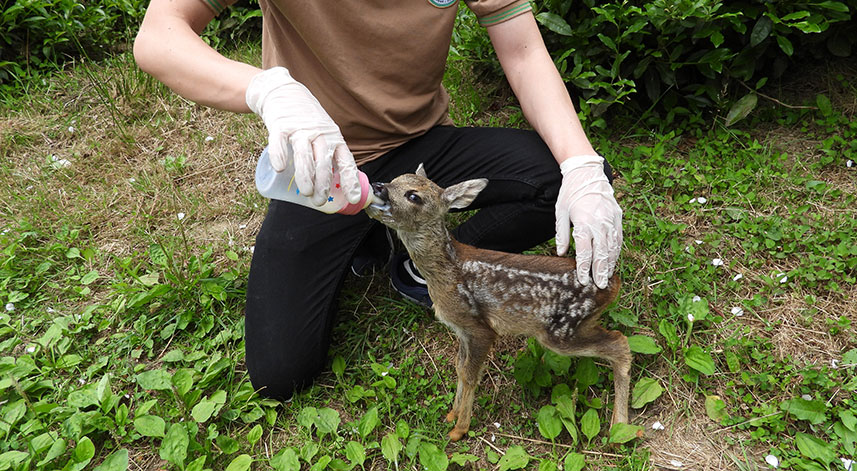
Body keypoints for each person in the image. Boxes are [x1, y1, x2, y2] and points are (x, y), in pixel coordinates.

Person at [134, 0, 623, 401]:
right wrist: (268, 89)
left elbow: (522, 52)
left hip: (423, 150)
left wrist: (581, 165)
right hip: (325, 161)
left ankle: (420, 266)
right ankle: (367, 237)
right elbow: (160, 34)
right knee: (280, 373)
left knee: (558, 175)